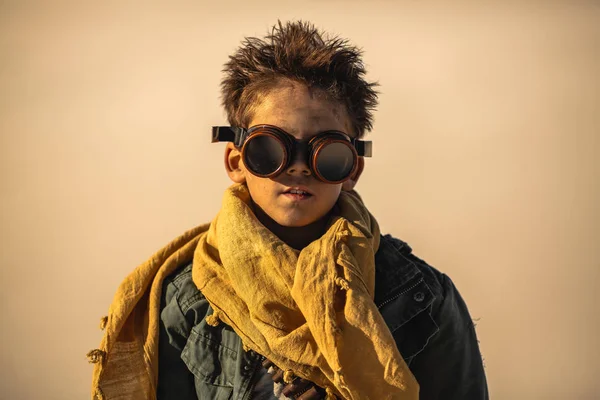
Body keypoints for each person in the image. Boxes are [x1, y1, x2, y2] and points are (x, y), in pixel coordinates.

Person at [88, 20, 489, 400]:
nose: (298, 166)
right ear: (236, 162)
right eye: (270, 149)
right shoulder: (187, 298)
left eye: (325, 152)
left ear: (351, 169)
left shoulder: (423, 297)